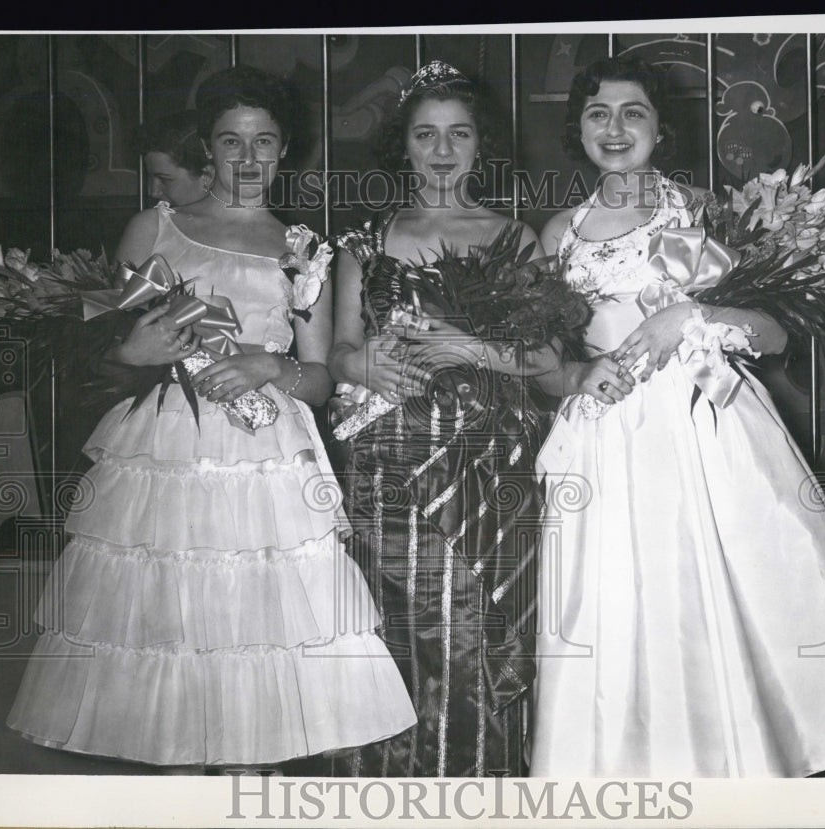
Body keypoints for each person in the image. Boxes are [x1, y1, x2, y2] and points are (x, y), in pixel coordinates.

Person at [7, 65, 416, 769]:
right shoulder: (155, 226)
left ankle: (244, 783)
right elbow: (94, 347)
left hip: (263, 456)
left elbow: (318, 379)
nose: (248, 159)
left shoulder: (304, 249)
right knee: (168, 628)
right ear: (208, 146)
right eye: (232, 142)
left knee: (254, 633)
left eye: (264, 142)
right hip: (168, 451)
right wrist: (132, 348)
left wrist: (271, 367)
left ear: (285, 149)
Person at [531, 57, 825, 778]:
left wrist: (693, 313)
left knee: (726, 584)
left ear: (660, 126)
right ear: (577, 128)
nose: (616, 129)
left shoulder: (701, 211)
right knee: (616, 598)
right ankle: (622, 767)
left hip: (702, 423)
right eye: (598, 114)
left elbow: (773, 333)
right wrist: (583, 372)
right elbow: (547, 363)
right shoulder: (559, 234)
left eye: (633, 112)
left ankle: (746, 760)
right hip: (609, 437)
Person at [328, 61, 549, 777]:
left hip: (484, 456)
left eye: (459, 133)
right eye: (427, 134)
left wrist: (470, 346)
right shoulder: (366, 239)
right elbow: (338, 351)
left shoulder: (515, 235)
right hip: (384, 463)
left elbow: (543, 360)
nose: (443, 150)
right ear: (405, 144)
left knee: (472, 626)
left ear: (483, 144)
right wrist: (358, 366)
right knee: (393, 626)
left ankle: (479, 782)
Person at [136, 109, 212, 207]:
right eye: (149, 178)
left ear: (207, 177)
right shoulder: (150, 221)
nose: (154, 192)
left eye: (164, 180)